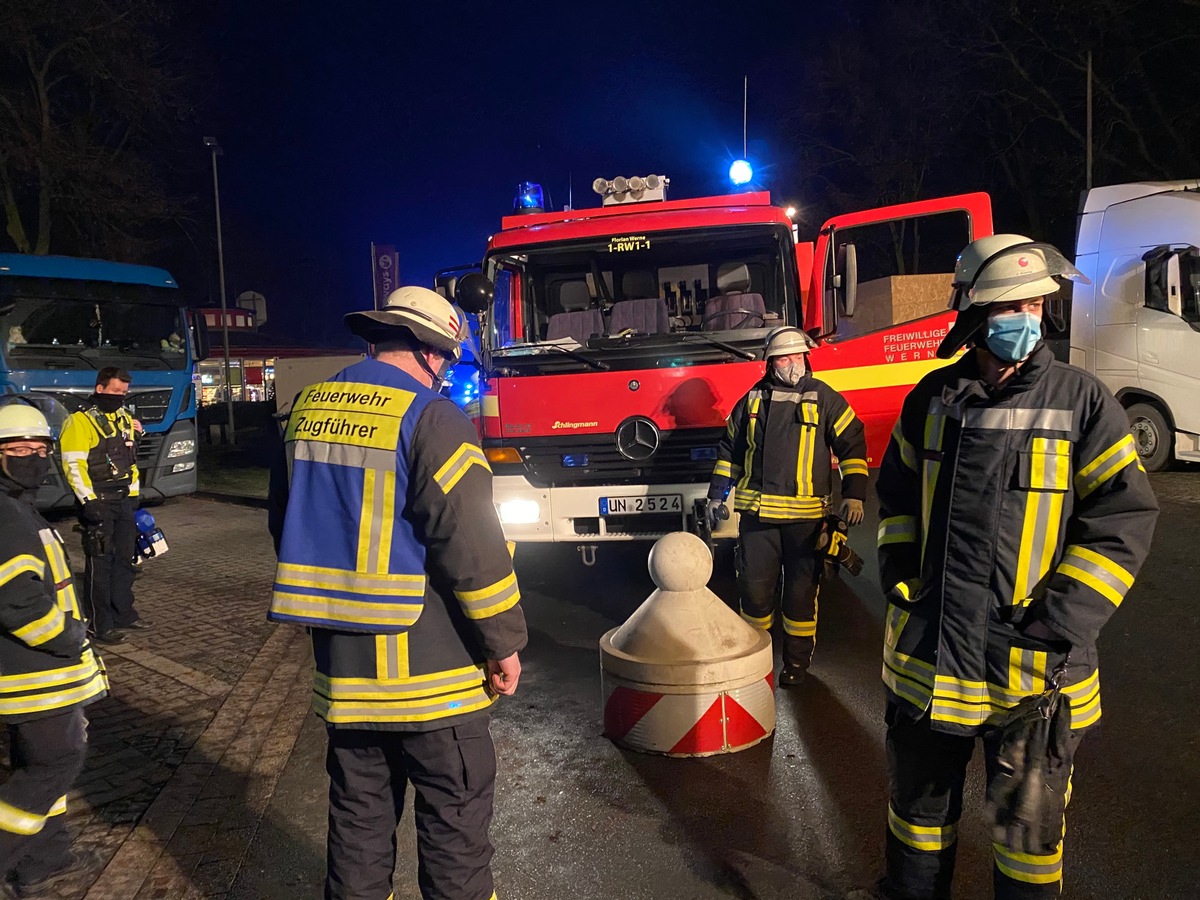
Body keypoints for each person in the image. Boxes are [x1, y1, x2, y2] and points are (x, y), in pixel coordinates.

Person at [861, 235, 1159, 899]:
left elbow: (1123, 520)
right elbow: (899, 497)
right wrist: (901, 573)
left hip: (1032, 673)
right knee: (917, 822)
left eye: (1034, 303)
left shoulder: (1083, 403)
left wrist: (1062, 619)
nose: (1025, 318)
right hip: (928, 660)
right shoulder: (930, 399)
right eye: (1009, 306)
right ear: (972, 314)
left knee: (1027, 840)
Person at [267, 286, 527, 900]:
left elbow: (285, 523)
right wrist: (504, 642)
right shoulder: (433, 417)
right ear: (433, 352)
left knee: (358, 828)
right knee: (455, 832)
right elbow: (469, 542)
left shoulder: (306, 409)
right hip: (433, 674)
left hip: (346, 679)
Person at [707, 326, 869, 686]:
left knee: (800, 598)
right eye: (784, 357)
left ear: (806, 358)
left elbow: (852, 444)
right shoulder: (751, 402)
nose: (792, 363)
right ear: (769, 363)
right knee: (753, 595)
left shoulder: (824, 398)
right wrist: (717, 495)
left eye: (797, 356)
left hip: (806, 523)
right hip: (757, 523)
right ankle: (754, 663)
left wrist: (854, 492)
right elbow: (729, 453)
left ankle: (796, 666)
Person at [0, 402, 108, 897]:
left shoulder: (18, 507)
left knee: (40, 763)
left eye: (40, 449)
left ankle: (47, 857)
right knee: (53, 764)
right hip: (36, 676)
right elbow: (19, 603)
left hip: (38, 675)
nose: (33, 459)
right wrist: (70, 638)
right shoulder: (8, 515)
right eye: (18, 450)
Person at [59, 367, 147, 645]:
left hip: (122, 501)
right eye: (115, 391)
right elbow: (74, 465)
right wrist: (89, 500)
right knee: (100, 564)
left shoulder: (124, 419)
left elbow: (128, 461)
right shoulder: (79, 422)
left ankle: (124, 614)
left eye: (124, 392)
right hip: (98, 501)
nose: (120, 397)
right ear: (100, 389)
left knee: (125, 560)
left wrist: (133, 495)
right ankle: (99, 624)